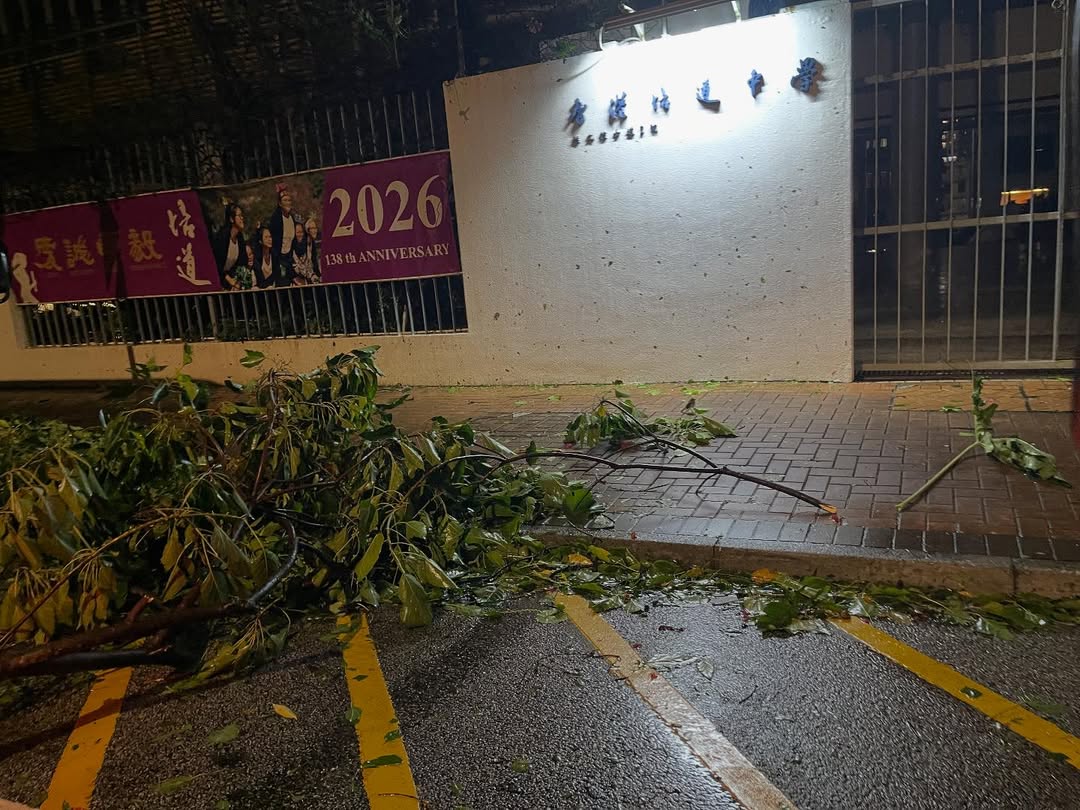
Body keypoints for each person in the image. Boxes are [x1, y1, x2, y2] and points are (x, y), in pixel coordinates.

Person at [269, 184, 300, 285]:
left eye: (289, 200)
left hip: (288, 257)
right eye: (285, 200)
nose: (288, 203)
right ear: (280, 203)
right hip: (278, 258)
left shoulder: (292, 219)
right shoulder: (276, 219)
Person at [213, 204, 247, 290]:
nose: (242, 218)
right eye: (239, 215)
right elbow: (215, 264)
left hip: (230, 281)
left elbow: (242, 263)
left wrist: (238, 282)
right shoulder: (222, 237)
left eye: (242, 215)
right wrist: (230, 280)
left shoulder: (240, 238)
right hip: (216, 279)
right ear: (231, 219)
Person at [291, 221, 317, 285]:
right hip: (295, 280)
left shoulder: (309, 244)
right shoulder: (289, 248)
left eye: (302, 232)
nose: (300, 235)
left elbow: (314, 261)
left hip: (310, 277)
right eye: (298, 232)